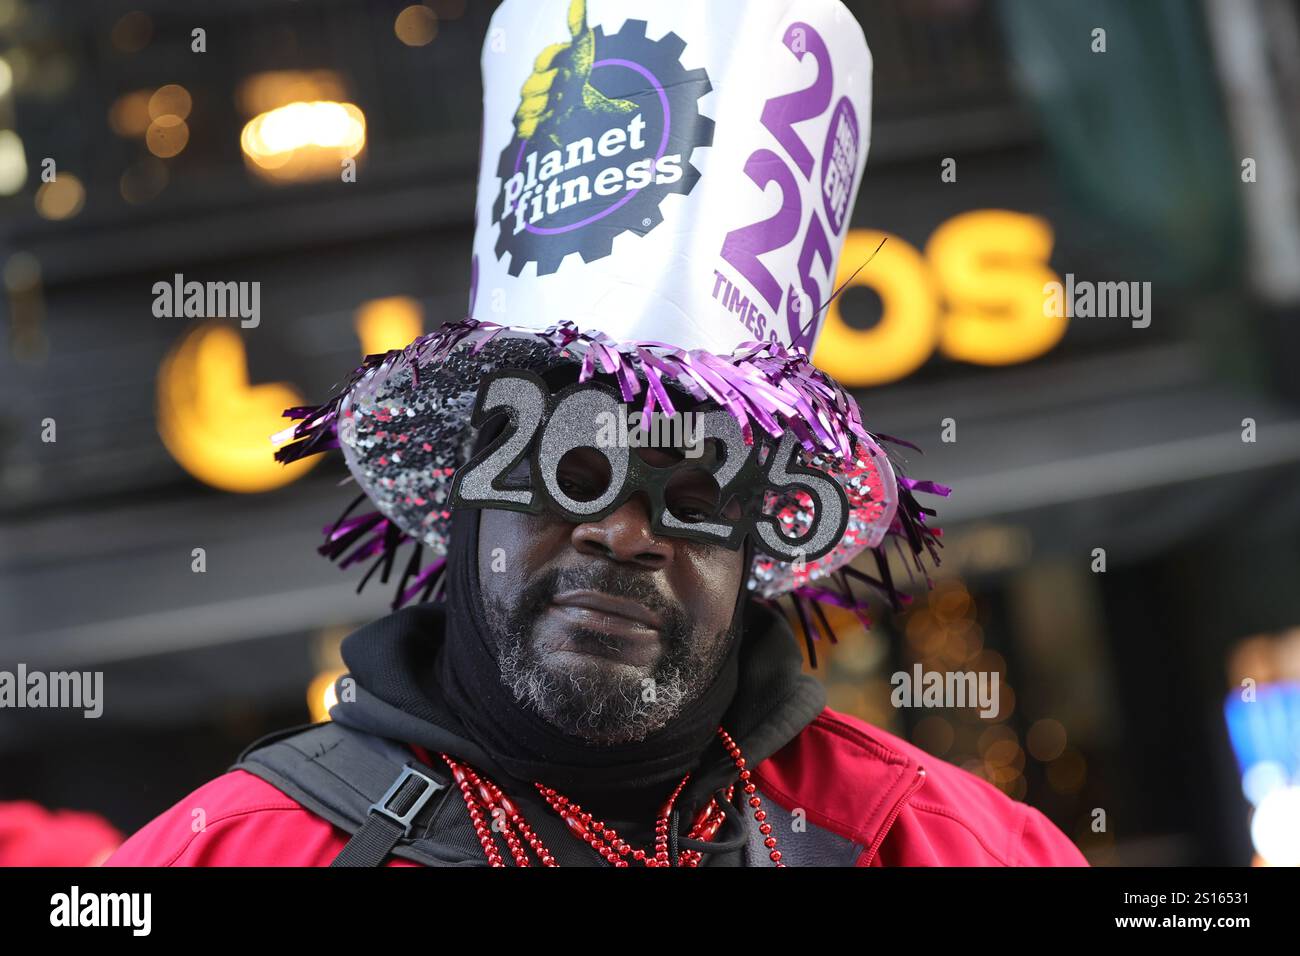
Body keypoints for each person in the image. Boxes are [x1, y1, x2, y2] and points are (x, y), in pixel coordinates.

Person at [107, 0, 1085, 867]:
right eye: (570, 471)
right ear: (469, 497)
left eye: (694, 499)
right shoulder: (226, 853)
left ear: (753, 551)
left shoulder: (953, 847)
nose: (623, 533)